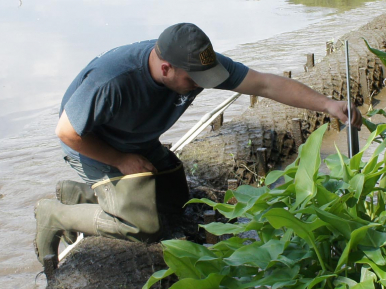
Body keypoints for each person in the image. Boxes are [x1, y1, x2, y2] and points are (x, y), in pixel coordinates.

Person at [34, 22, 360, 275]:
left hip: (137, 138)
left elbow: (265, 83)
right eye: (194, 81)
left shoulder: (198, 66)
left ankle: (82, 194)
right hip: (93, 144)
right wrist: (121, 160)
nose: (203, 85)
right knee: (141, 227)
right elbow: (67, 132)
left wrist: (328, 104)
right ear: (166, 69)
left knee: (177, 203)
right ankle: (54, 214)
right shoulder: (113, 80)